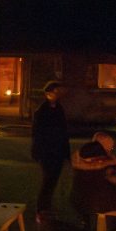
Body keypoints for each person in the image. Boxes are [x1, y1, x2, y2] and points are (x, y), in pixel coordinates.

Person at [70, 132, 116, 231]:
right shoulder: (106, 165)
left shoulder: (80, 160)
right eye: (109, 147)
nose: (110, 150)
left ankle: (85, 225)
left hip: (77, 199)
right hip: (98, 203)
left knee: (99, 198)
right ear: (103, 148)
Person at [31, 80, 70, 223]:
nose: (58, 94)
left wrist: (66, 153)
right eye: (56, 92)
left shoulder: (59, 109)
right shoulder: (41, 112)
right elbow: (37, 134)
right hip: (47, 152)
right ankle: (41, 210)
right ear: (48, 94)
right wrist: (37, 152)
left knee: (53, 181)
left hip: (58, 151)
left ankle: (47, 208)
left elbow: (64, 132)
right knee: (47, 181)